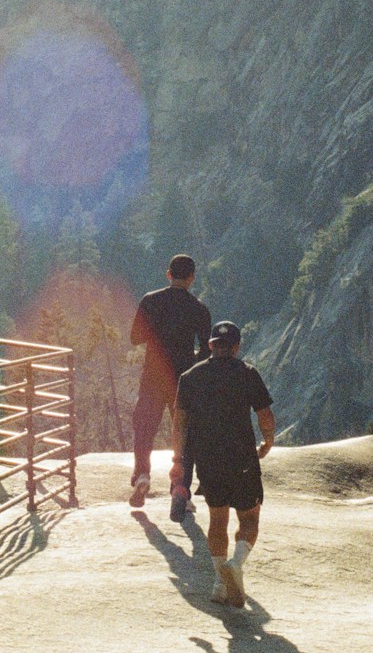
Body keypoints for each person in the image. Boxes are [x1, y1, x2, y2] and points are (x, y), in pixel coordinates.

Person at [173, 321, 274, 610]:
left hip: (208, 458)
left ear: (210, 345)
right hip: (242, 457)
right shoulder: (247, 373)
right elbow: (264, 413)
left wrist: (177, 460)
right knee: (250, 518)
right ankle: (236, 563)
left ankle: (220, 582)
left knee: (218, 520)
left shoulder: (190, 377)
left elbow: (179, 424)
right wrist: (268, 439)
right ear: (237, 346)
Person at [128, 254, 211, 516]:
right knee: (184, 435)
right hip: (183, 380)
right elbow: (208, 350)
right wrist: (192, 360)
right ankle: (180, 487)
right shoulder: (198, 308)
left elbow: (134, 338)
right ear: (191, 278)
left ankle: (142, 474)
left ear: (168, 274)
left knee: (145, 427)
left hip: (152, 375)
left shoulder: (150, 300)